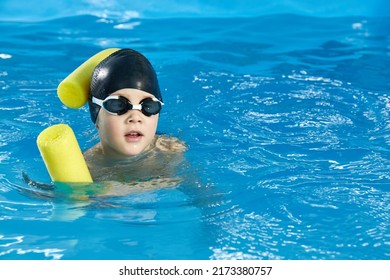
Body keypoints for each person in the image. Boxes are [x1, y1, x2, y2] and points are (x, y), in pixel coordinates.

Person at [83, 48, 187, 186]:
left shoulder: (170, 150)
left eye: (148, 106)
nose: (135, 117)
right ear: (96, 115)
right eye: (118, 105)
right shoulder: (85, 167)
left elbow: (201, 195)